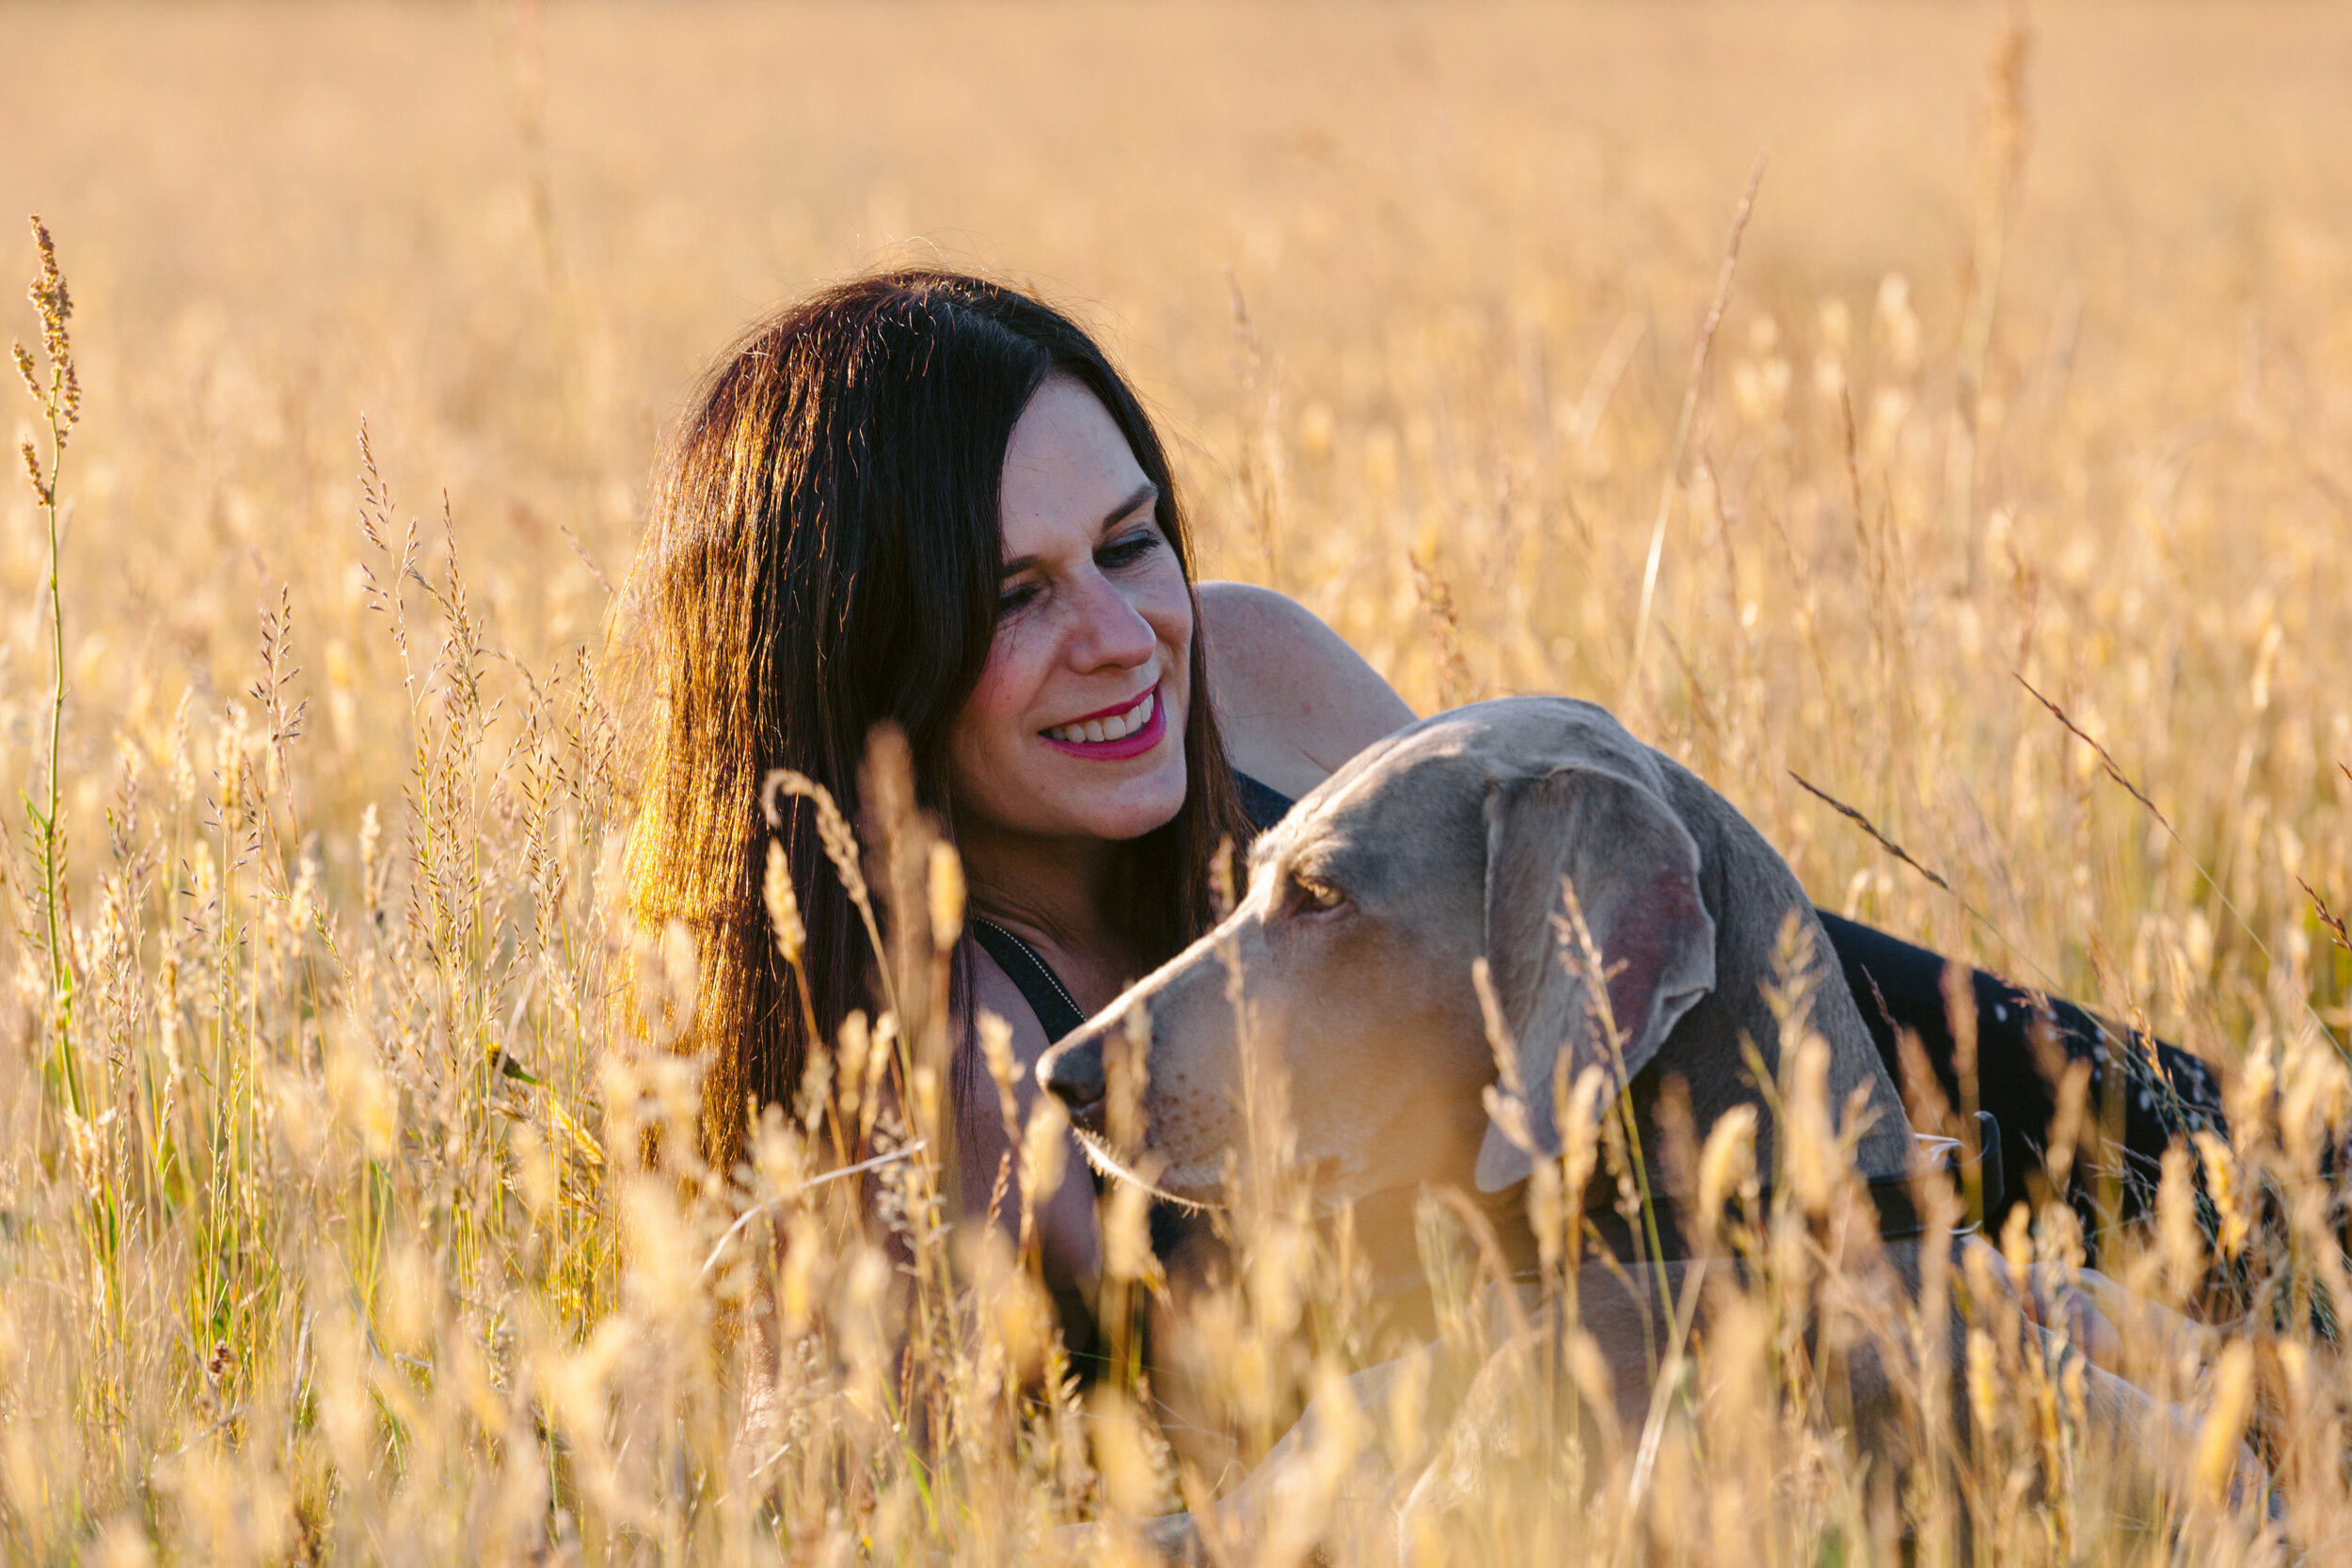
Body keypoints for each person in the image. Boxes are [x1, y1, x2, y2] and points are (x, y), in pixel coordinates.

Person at [617, 269, 2225, 1374]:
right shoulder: (947, 1057)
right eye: (1014, 595)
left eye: (1126, 543)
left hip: (1826, 1208)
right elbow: (1423, 1366)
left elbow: (1582, 989)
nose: (1121, 637)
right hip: (1662, 1372)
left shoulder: (1254, 669)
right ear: (860, 656)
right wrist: (1955, 1304)